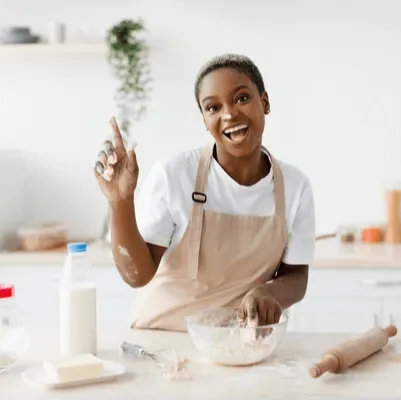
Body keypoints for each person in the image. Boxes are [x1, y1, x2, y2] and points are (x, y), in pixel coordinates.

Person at [94, 53, 316, 332]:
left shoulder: (295, 188)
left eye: (242, 98)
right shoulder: (174, 175)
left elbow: (296, 275)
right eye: (213, 107)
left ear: (265, 102)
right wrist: (119, 200)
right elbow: (137, 275)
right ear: (204, 119)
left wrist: (271, 293)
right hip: (161, 339)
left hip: (235, 342)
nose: (229, 114)